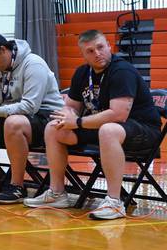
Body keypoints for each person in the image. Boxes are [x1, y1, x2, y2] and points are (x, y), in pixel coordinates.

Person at [24, 30, 162, 219]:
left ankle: (114, 202)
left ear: (109, 47)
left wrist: (78, 122)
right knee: (54, 128)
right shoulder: (82, 73)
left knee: (108, 129)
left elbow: (118, 114)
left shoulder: (122, 71)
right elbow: (71, 106)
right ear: (83, 55)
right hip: (103, 128)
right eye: (90, 51)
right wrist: (67, 117)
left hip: (142, 130)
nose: (97, 53)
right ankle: (57, 193)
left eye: (100, 47)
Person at [0, 34, 64, 204]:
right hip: (13, 118)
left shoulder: (33, 63)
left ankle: (17, 186)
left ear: (3, 50)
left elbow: (30, 107)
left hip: (48, 118)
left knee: (13, 122)